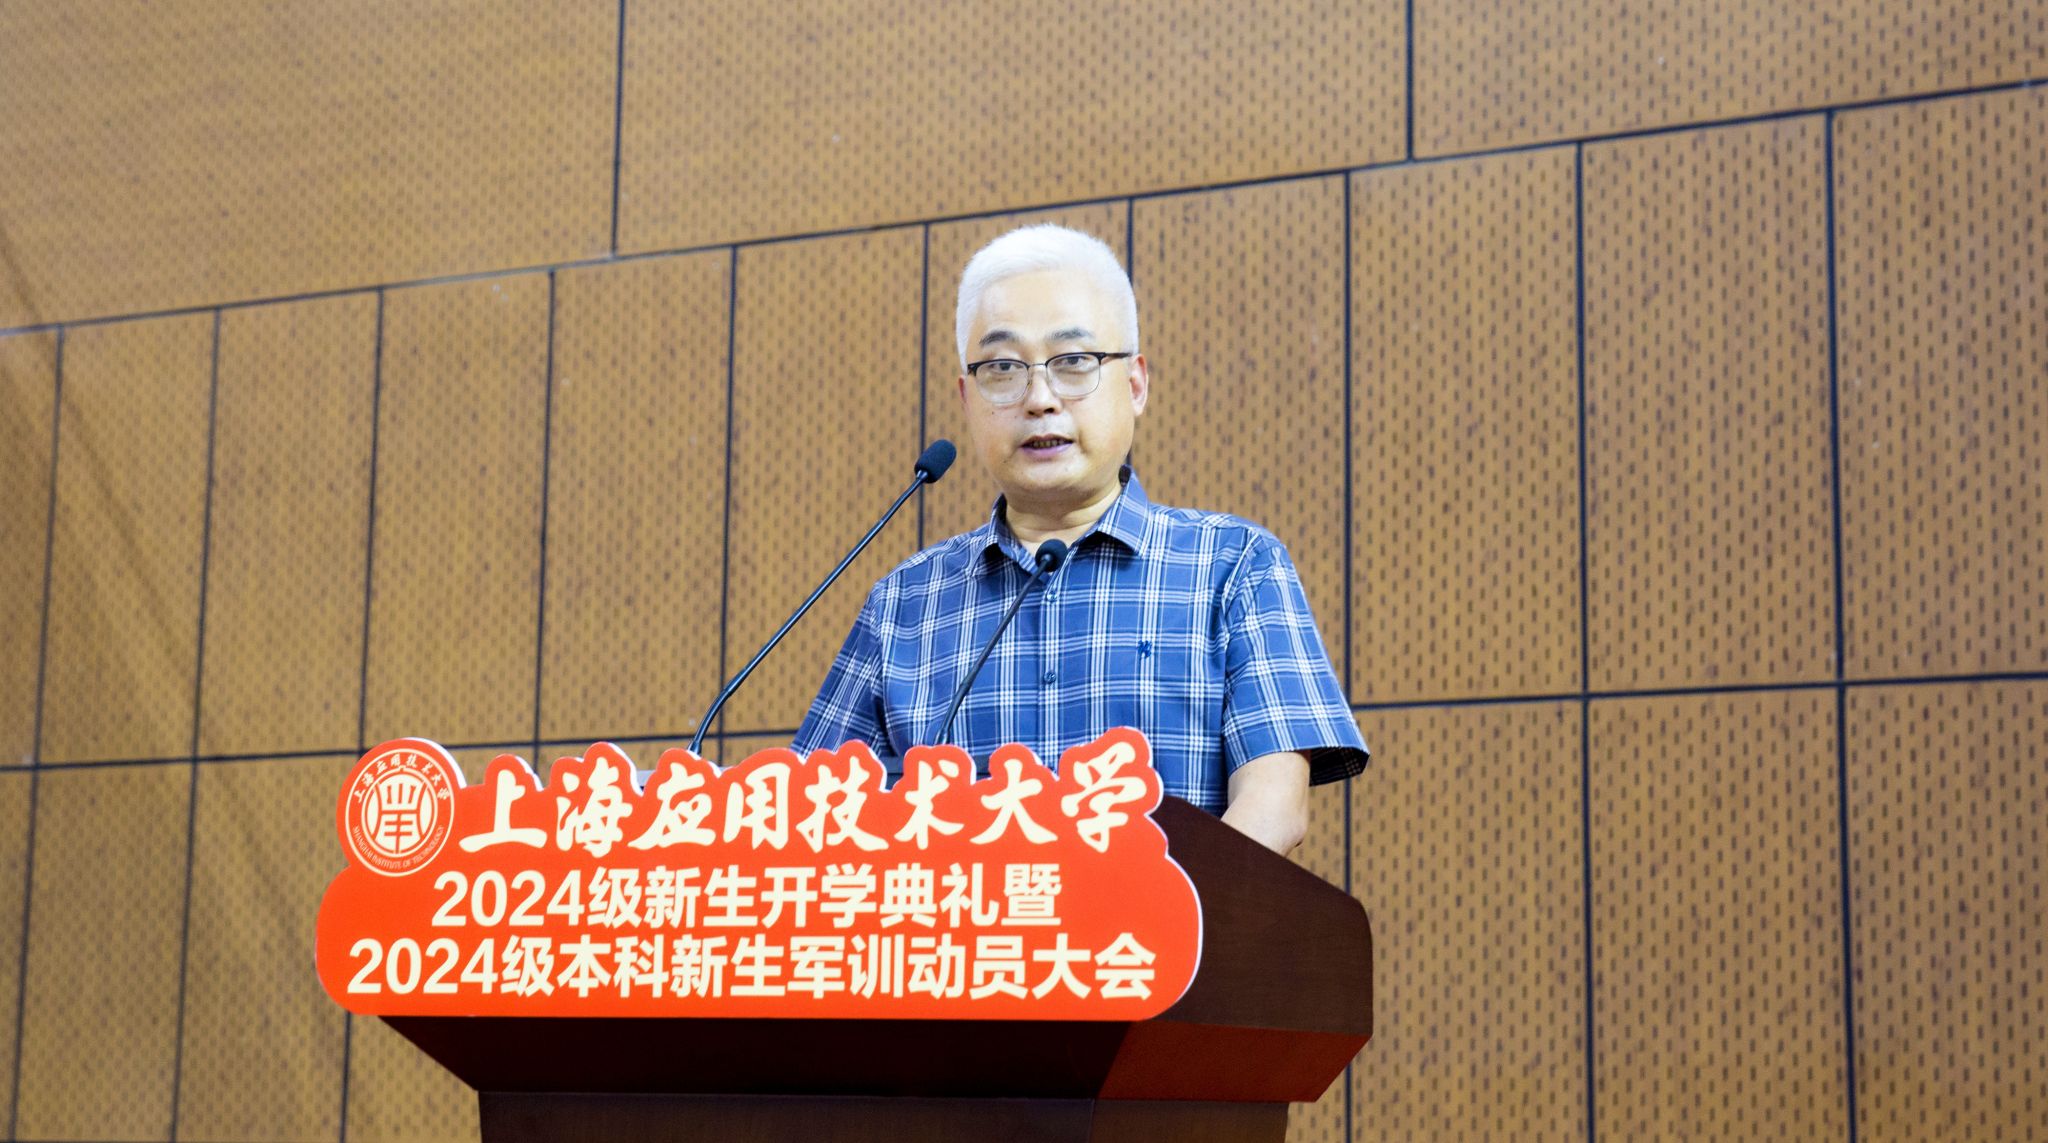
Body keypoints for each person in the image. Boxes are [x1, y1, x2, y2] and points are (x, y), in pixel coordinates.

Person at [792, 224, 1366, 854]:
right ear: (967, 398)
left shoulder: (1234, 566)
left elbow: (1274, 808)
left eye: (1073, 363)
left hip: (1171, 920)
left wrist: (1152, 911)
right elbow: (809, 822)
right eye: (1003, 369)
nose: (1040, 399)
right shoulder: (905, 602)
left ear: (1136, 384)